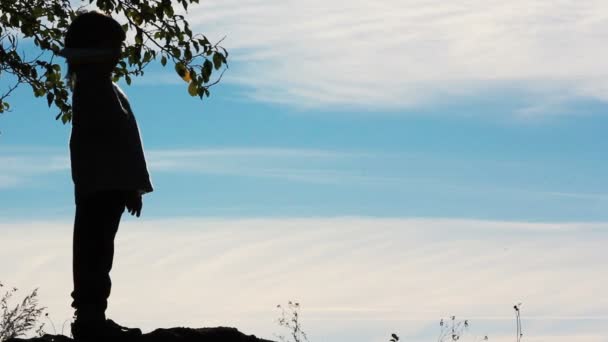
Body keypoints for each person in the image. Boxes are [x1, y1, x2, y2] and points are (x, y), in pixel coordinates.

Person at [59, 10, 153, 341]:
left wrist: (129, 186)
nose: (119, 53)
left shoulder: (99, 86)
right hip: (101, 184)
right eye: (115, 46)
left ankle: (93, 315)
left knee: (98, 249)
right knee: (94, 249)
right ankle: (89, 318)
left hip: (105, 184)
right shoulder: (93, 87)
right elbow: (109, 140)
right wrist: (128, 185)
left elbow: (117, 140)